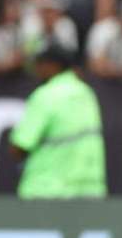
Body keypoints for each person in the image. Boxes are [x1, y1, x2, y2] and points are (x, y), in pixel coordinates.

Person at [9, 45, 107, 199]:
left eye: (39, 64)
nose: (36, 70)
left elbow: (19, 147)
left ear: (52, 66)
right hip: (89, 191)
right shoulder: (87, 93)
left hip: (47, 190)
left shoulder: (46, 95)